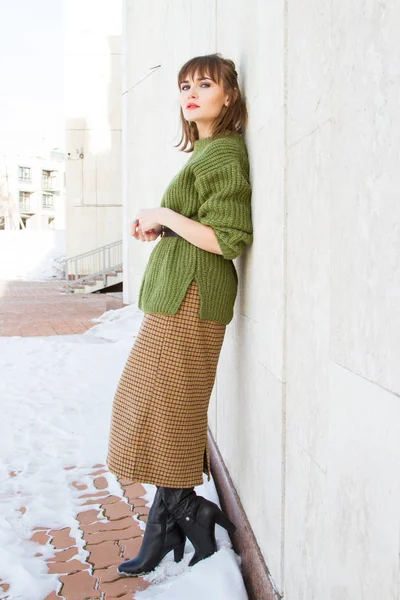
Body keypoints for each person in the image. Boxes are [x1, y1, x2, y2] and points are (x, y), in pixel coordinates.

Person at [106, 53, 253, 576]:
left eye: (204, 84)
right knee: (154, 405)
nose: (190, 93)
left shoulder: (224, 156)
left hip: (193, 299)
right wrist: (164, 226)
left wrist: (167, 215)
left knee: (167, 408)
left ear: (228, 96)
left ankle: (180, 515)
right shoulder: (206, 153)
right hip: (178, 296)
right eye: (184, 85)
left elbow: (230, 238)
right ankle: (185, 513)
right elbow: (202, 226)